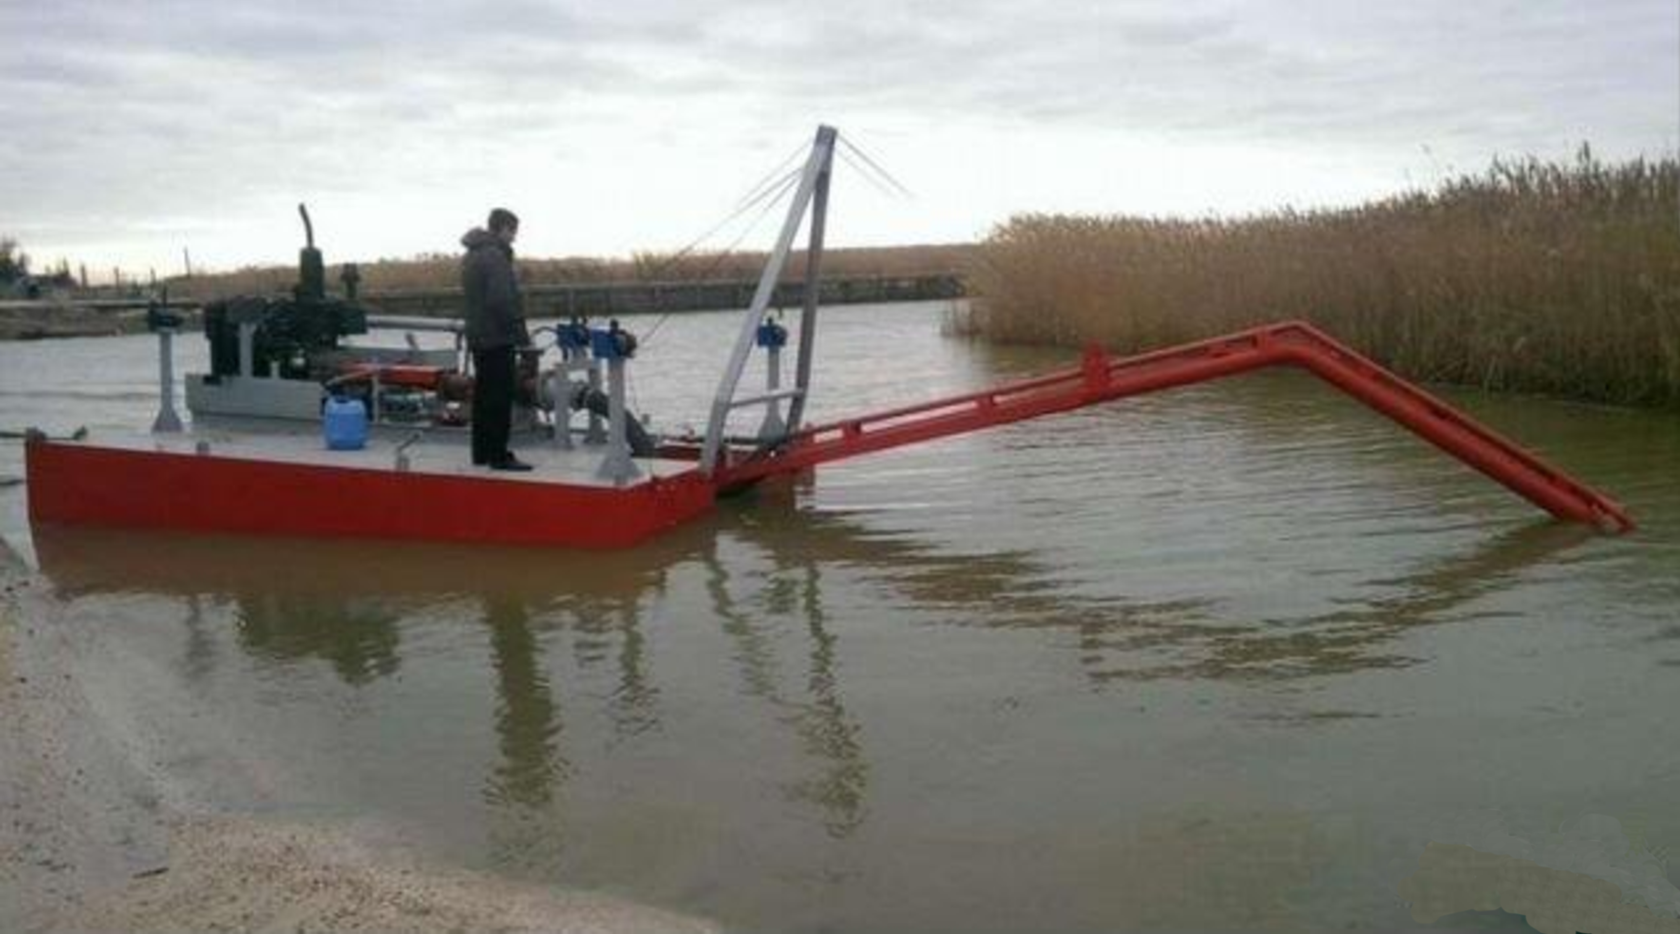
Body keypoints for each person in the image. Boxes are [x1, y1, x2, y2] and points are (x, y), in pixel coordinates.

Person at [461, 208, 533, 471]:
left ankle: (481, 453)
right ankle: (499, 455)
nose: (514, 237)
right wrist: (522, 338)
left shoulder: (472, 255)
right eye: (512, 231)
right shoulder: (495, 257)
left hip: (478, 336)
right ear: (502, 228)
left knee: (482, 396)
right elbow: (502, 301)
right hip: (497, 337)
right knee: (500, 397)